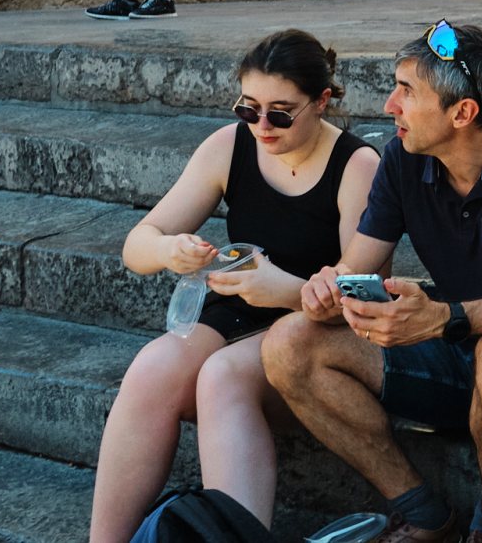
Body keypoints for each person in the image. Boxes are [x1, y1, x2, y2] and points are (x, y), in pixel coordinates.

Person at [261, 22, 482, 543]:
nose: (388, 106)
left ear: (462, 113)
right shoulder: (401, 158)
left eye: (406, 91)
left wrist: (446, 317)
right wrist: (331, 290)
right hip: (455, 352)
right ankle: (423, 512)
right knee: (288, 344)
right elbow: (357, 266)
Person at [89, 30, 379, 541]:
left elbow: (358, 295)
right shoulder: (229, 144)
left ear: (322, 102)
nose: (262, 126)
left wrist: (284, 289)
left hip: (313, 328)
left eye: (281, 113)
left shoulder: (358, 166)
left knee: (221, 376)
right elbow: (138, 244)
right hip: (239, 312)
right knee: (152, 367)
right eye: (250, 108)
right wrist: (169, 250)